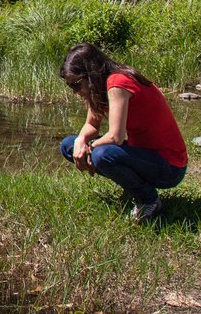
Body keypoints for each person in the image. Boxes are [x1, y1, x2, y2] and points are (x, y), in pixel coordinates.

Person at [58, 42, 187, 222]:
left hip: (170, 166)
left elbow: (116, 137)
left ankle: (148, 200)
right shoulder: (97, 89)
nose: (75, 91)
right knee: (68, 145)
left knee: (102, 155)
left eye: (76, 84)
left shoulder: (117, 83)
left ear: (91, 74)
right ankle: (134, 186)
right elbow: (92, 125)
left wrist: (90, 147)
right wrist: (81, 140)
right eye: (70, 86)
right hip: (145, 157)